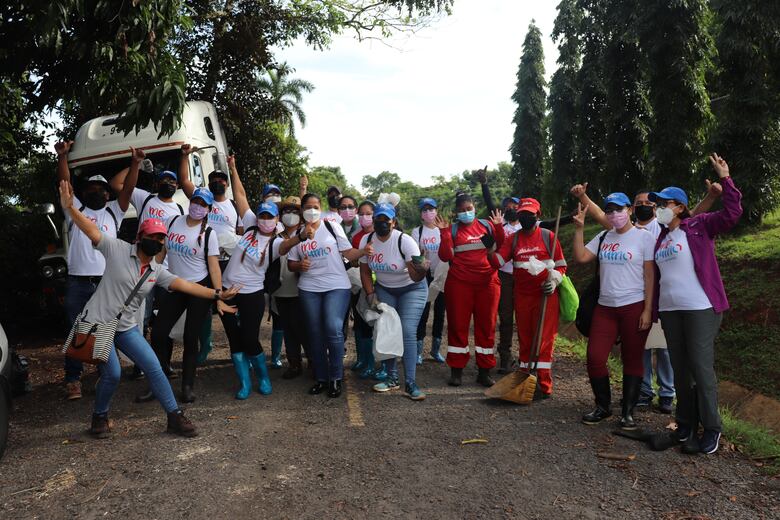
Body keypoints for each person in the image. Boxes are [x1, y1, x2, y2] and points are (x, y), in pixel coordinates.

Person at [59, 180, 239, 438]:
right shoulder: (117, 249)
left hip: (125, 327)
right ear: (139, 237)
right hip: (99, 324)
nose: (156, 241)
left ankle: (174, 416)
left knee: (154, 366)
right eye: (151, 236)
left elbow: (186, 285)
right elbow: (91, 230)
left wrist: (217, 294)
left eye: (160, 238)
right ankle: (99, 417)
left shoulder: (157, 271)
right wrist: (70, 208)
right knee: (113, 373)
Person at [571, 181, 722, 413]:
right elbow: (600, 215)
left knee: (663, 351)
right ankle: (634, 396)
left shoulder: (657, 229)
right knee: (634, 354)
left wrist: (711, 197)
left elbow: (689, 217)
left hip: (655, 300)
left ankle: (666, 395)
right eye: (639, 202)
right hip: (627, 303)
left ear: (631, 210)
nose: (644, 206)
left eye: (648, 203)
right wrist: (583, 201)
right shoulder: (610, 233)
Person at [651, 153, 742, 454]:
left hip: (700, 308)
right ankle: (685, 425)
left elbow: (732, 214)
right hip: (670, 311)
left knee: (701, 368)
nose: (659, 209)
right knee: (680, 370)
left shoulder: (698, 226)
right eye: (657, 204)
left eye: (663, 204)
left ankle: (712, 428)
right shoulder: (662, 238)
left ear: (679, 206)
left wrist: (725, 179)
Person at [55, 140, 139, 400]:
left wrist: (135, 163)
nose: (96, 192)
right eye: (91, 188)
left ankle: (106, 372)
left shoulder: (114, 212)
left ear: (107, 194)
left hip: (106, 282)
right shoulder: (75, 210)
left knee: (105, 329)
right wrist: (62, 157)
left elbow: (128, 189)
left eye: (101, 189)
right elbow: (65, 184)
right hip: (78, 282)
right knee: (77, 330)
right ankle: (73, 380)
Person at [571, 193, 655, 428]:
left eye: (619, 209)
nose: (614, 214)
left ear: (629, 210)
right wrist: (579, 229)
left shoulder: (644, 238)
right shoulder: (604, 236)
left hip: (634, 305)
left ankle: (628, 412)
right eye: (609, 210)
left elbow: (650, 276)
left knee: (632, 359)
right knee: (595, 357)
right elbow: (581, 257)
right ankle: (603, 406)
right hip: (605, 307)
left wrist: (648, 309)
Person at [283, 194, 372, 398]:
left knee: (332, 327)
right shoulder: (297, 233)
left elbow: (348, 253)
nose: (312, 210)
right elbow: (291, 264)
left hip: (336, 285)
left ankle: (336, 377)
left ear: (321, 208)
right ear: (302, 210)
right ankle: (322, 379)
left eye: (315, 207)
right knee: (314, 333)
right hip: (309, 288)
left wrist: (363, 251)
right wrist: (300, 265)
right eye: (308, 207)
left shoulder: (332, 227)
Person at [140, 188, 222, 404]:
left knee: (190, 337)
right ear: (190, 201)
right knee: (158, 334)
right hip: (175, 285)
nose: (198, 206)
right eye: (196, 201)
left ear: (209, 209)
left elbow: (214, 267)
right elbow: (161, 252)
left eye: (203, 204)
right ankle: (157, 382)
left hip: (199, 288)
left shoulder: (209, 234)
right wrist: (151, 274)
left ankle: (187, 386)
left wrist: (219, 295)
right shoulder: (172, 221)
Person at [217, 157, 283, 398]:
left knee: (249, 337)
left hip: (252, 293)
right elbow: (241, 195)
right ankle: (244, 383)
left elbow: (290, 245)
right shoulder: (250, 225)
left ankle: (263, 378)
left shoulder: (278, 240)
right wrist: (233, 168)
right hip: (228, 291)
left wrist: (302, 236)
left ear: (277, 219)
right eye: (262, 216)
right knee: (234, 339)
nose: (265, 220)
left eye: (270, 217)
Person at [490, 198, 567, 400]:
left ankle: (543, 384)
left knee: (544, 340)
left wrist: (554, 281)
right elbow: (498, 261)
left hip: (545, 296)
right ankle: (524, 379)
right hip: (523, 296)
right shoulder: (514, 239)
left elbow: (561, 265)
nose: (525, 218)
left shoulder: (548, 237)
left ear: (537, 215)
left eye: (529, 214)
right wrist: (490, 248)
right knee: (525, 338)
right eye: (522, 214)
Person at [178, 145, 243, 365]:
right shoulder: (204, 201)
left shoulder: (234, 206)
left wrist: (233, 169)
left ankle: (237, 349)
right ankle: (205, 344)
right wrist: (185, 156)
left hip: (226, 264)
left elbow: (240, 235)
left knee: (229, 307)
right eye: (213, 179)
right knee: (202, 307)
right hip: (202, 263)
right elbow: (184, 181)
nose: (218, 182)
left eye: (221, 180)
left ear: (226, 184)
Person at [359, 203, 429, 400]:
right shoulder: (367, 240)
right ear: (373, 221)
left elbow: (415, 277)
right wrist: (371, 294)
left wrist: (422, 268)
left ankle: (411, 383)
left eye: (386, 220)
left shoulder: (404, 241)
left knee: (406, 331)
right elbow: (365, 272)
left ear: (394, 222)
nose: (381, 223)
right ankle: (392, 378)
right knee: (388, 329)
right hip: (385, 288)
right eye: (378, 219)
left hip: (412, 289)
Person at [436, 192, 505, 387]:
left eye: (469, 209)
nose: (466, 212)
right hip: (459, 284)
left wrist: (498, 227)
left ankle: (484, 371)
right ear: (457, 212)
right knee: (458, 326)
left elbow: (500, 246)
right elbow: (444, 256)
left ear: (474, 208)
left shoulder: (486, 226)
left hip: (487, 283)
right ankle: (456, 371)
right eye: (462, 210)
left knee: (487, 327)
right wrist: (444, 233)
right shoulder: (453, 230)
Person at [274, 196, 310, 379]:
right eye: (286, 211)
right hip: (281, 291)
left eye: (295, 211)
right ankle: (294, 364)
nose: (290, 214)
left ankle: (314, 362)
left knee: (304, 329)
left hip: (303, 290)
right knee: (288, 329)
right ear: (280, 216)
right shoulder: (275, 237)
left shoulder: (307, 235)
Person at [349, 201, 383, 380]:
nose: (364, 217)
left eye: (368, 213)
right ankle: (364, 360)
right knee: (361, 323)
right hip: (360, 285)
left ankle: (381, 365)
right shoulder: (357, 237)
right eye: (361, 214)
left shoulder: (384, 234)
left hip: (381, 286)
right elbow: (355, 260)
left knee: (380, 325)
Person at [410, 197, 446, 364]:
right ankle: (418, 351)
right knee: (423, 313)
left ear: (436, 211)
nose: (428, 213)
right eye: (425, 210)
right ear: (421, 214)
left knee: (440, 313)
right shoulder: (417, 231)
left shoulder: (442, 229)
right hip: (425, 275)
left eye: (431, 209)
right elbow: (414, 255)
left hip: (442, 275)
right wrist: (421, 258)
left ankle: (435, 350)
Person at [495, 196, 523, 373]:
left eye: (515, 206)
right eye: (508, 206)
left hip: (524, 276)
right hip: (504, 276)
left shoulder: (528, 226)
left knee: (524, 317)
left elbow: (549, 224)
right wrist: (485, 185)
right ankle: (505, 357)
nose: (511, 208)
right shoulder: (501, 227)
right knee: (506, 318)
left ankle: (526, 357)